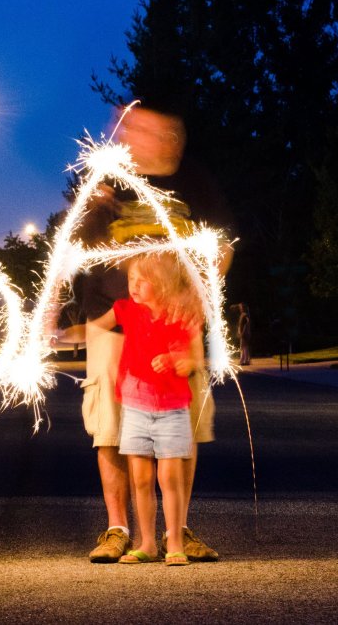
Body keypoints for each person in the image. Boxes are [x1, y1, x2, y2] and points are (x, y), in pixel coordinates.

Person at [68, 104, 234, 563]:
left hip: (176, 324)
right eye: (126, 126)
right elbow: (74, 250)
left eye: (140, 127)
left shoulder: (195, 182)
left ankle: (174, 532)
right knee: (111, 428)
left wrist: (201, 300)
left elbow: (221, 247)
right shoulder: (107, 180)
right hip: (112, 320)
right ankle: (118, 528)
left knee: (184, 428)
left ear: (171, 135)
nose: (125, 133)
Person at [86, 253, 202, 566]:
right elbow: (97, 326)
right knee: (140, 479)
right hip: (136, 407)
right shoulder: (125, 309)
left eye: (142, 281)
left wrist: (178, 362)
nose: (133, 286)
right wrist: (56, 332)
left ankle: (175, 540)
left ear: (162, 284)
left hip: (170, 407)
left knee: (169, 477)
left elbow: (191, 358)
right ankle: (146, 542)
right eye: (130, 280)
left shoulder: (179, 315)